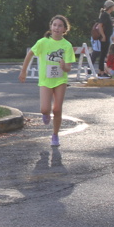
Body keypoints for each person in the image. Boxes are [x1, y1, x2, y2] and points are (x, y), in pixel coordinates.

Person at [19, 15, 75, 147]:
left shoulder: (67, 45)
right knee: (45, 109)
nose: (57, 28)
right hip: (45, 80)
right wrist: (24, 71)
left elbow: (68, 68)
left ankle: (55, 135)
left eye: (60, 26)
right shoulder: (43, 42)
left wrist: (64, 66)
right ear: (51, 27)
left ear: (64, 29)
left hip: (60, 80)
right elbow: (30, 54)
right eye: (54, 25)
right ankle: (46, 114)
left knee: (57, 109)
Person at [94, 0, 114, 78]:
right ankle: (101, 72)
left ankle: (102, 71)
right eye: (113, 6)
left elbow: (108, 26)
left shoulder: (107, 15)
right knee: (103, 54)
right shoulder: (104, 15)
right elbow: (100, 26)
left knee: (104, 54)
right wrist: (103, 36)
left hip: (107, 37)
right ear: (110, 7)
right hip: (105, 37)